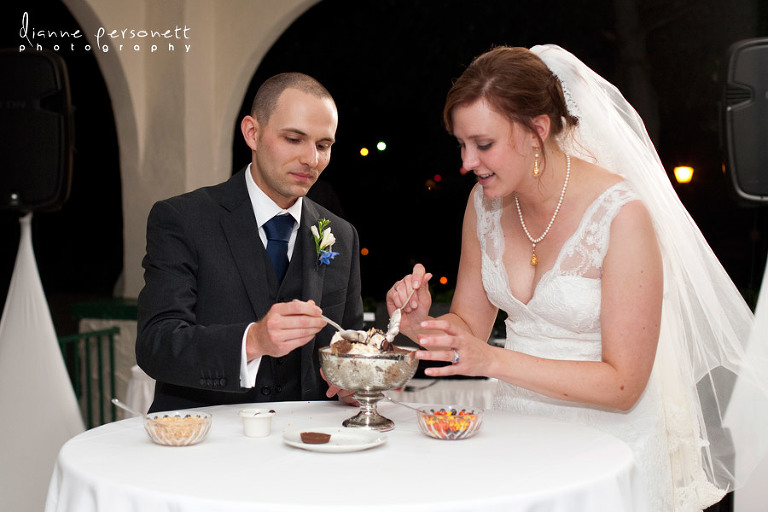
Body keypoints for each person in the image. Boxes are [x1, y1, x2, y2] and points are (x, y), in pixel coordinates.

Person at [388, 45, 768, 511]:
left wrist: (493, 361)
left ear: (537, 131)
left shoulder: (620, 216)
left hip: (609, 449)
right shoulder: (481, 205)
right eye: (461, 144)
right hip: (515, 436)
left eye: (483, 144)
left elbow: (624, 385)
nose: (467, 162)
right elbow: (469, 328)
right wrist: (421, 324)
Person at [136, 72, 361, 413]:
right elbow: (157, 344)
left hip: (306, 447)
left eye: (323, 145)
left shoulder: (340, 234)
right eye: (294, 139)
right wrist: (253, 341)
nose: (311, 160)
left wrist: (350, 383)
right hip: (206, 443)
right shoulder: (182, 219)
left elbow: (346, 348)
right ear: (252, 133)